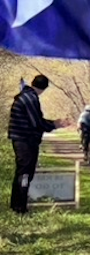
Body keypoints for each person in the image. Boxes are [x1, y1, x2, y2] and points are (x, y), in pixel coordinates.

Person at [7, 74, 57, 213]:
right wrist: (54, 124)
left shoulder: (25, 95)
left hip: (20, 139)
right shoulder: (30, 98)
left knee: (21, 172)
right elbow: (37, 122)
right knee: (25, 174)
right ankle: (20, 207)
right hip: (25, 141)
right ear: (43, 88)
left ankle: (16, 204)